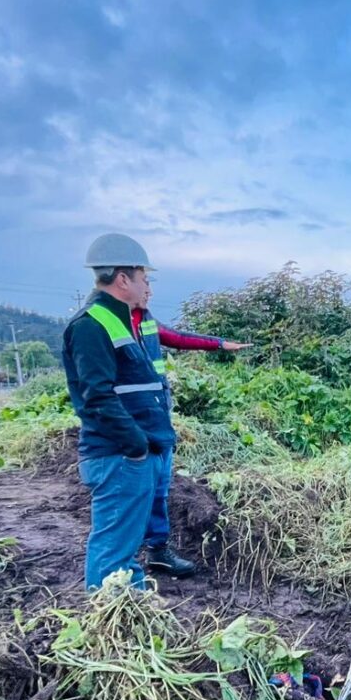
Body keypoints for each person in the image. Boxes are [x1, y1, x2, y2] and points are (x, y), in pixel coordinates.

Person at [62, 233, 173, 590]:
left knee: (123, 548)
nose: (147, 285)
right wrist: (137, 447)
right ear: (123, 279)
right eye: (144, 277)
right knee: (113, 550)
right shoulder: (91, 325)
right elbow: (97, 397)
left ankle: (126, 612)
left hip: (134, 454)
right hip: (120, 456)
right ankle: (110, 625)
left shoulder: (123, 320)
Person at [129, 283, 252, 576]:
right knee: (134, 492)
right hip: (132, 422)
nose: (150, 291)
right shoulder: (111, 325)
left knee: (160, 487)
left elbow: (179, 338)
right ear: (124, 282)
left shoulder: (145, 320)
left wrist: (219, 343)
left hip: (158, 416)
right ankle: (123, 561)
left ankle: (157, 551)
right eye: (144, 282)